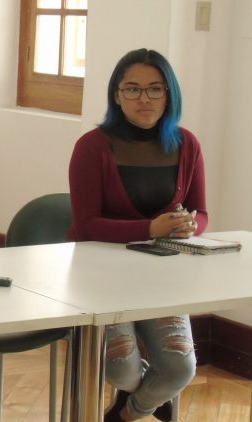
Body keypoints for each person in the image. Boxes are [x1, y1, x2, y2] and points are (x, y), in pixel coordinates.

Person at [68, 48, 205, 422]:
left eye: (154, 89)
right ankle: (146, 393)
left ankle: (127, 413)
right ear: (116, 95)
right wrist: (149, 228)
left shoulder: (187, 144)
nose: (144, 99)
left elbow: (202, 211)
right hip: (99, 275)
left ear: (169, 93)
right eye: (132, 89)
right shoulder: (92, 147)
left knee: (179, 369)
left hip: (161, 275)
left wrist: (190, 225)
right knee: (118, 369)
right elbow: (85, 225)